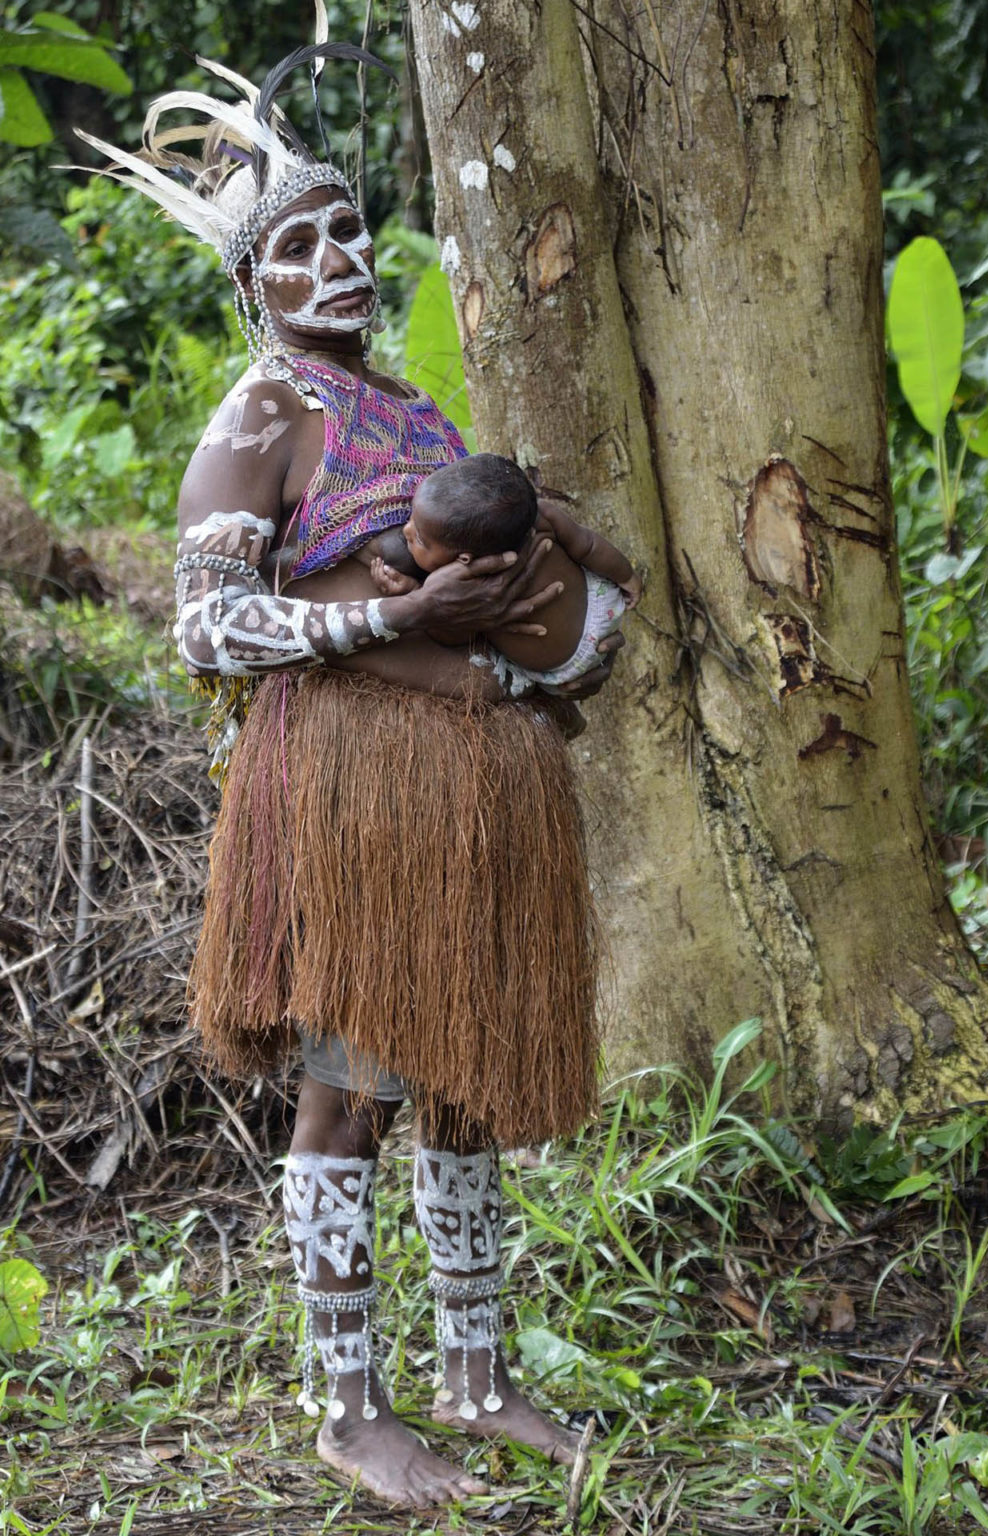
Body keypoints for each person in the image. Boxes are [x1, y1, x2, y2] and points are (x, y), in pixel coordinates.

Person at [78, 26, 628, 1512]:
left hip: (461, 791)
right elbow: (203, 623)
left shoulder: (408, 410)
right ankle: (346, 1408)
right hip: (337, 791)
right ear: (250, 282)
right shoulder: (262, 414)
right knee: (344, 1092)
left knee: (453, 1082)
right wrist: (395, 616)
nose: (340, 262)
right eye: (300, 246)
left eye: (348, 234)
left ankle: (476, 1376)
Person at [365, 452, 642, 692]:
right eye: (412, 518)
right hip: (602, 607)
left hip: (558, 670)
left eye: (421, 540)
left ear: (464, 558)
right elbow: (590, 546)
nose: (406, 530)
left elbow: (451, 634)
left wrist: (414, 592)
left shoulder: (467, 584)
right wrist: (625, 576)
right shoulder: (540, 516)